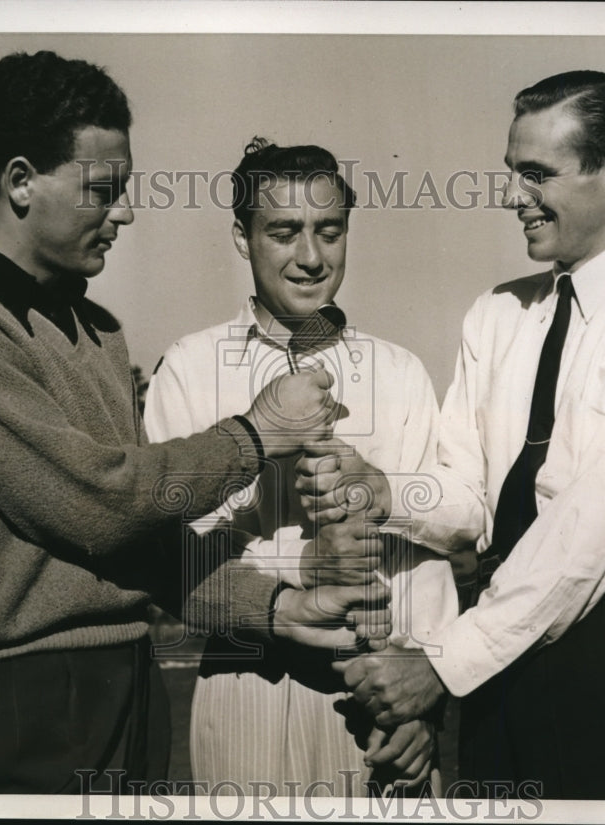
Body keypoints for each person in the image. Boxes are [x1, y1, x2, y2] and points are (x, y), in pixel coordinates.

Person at [0, 51, 382, 794]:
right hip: (14, 700)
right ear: (20, 181)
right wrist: (258, 431)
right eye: (103, 191)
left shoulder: (97, 329)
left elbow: (144, 549)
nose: (127, 212)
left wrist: (279, 607)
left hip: (133, 684)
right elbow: (100, 505)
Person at [319, 71, 605, 799]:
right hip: (506, 643)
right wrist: (381, 487)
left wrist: (444, 663)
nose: (514, 195)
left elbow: (593, 525)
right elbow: (471, 497)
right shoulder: (497, 314)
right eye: (512, 172)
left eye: (537, 173)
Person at [144, 139, 459, 797]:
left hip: (373, 696)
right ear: (242, 235)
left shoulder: (397, 370)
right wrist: (297, 564)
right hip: (243, 678)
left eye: (329, 231)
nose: (311, 257)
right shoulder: (191, 364)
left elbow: (433, 552)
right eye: (284, 232)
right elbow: (168, 553)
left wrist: (425, 691)